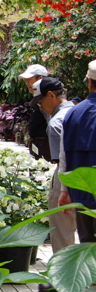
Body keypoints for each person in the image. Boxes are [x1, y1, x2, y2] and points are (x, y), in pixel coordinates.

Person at [36, 77, 76, 253]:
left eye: (40, 101)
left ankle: (63, 276)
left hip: (65, 177)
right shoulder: (79, 112)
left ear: (51, 95)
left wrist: (64, 190)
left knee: (62, 230)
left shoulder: (56, 122)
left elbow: (61, 160)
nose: (40, 107)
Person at [58, 59, 96, 242]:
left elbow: (63, 155)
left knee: (87, 247)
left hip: (82, 195)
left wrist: (64, 190)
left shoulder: (73, 113)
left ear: (89, 82)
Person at [19, 63, 51, 161]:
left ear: (40, 78)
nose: (27, 83)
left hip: (44, 144)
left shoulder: (46, 98)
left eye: (29, 79)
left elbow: (52, 122)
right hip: (37, 143)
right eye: (25, 80)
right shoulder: (37, 98)